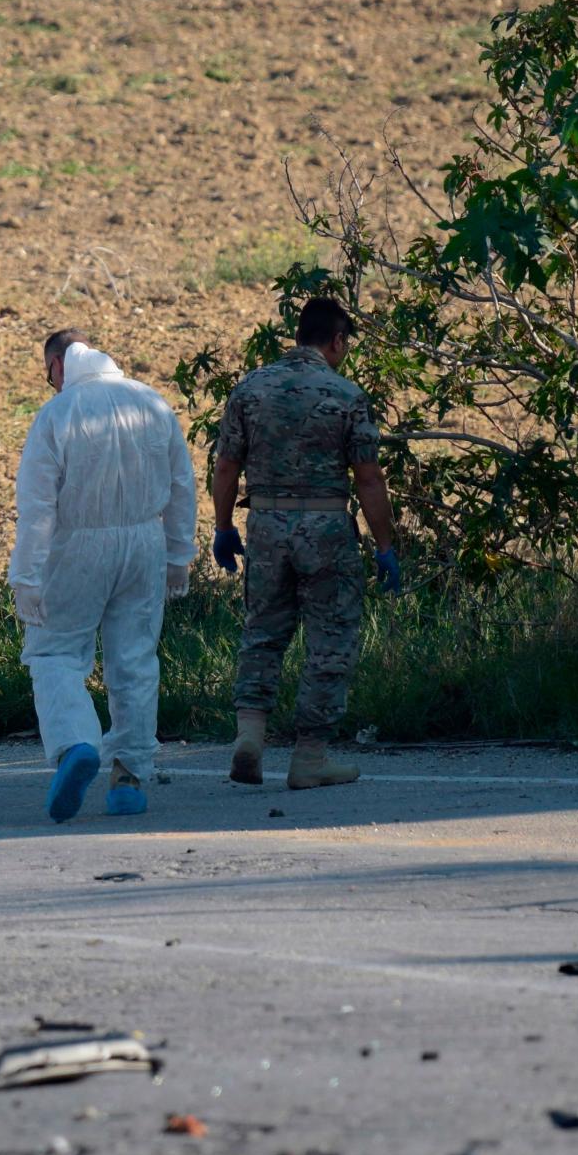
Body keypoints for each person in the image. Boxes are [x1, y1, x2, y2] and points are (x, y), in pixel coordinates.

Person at [210, 295, 402, 791]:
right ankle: (310, 757)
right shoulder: (346, 395)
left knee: (263, 634)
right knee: (329, 640)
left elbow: (227, 466)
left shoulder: (250, 390)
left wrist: (224, 527)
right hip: (325, 531)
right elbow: (368, 479)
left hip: (267, 529)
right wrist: (385, 546)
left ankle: (249, 738)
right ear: (336, 340)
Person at [8, 329, 200, 823]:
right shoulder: (152, 403)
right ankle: (128, 780)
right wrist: (179, 554)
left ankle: (76, 744)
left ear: (57, 365)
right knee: (134, 660)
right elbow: (182, 484)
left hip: (76, 547)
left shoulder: (57, 414)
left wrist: (26, 577)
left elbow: (36, 507)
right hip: (144, 545)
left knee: (54, 652)